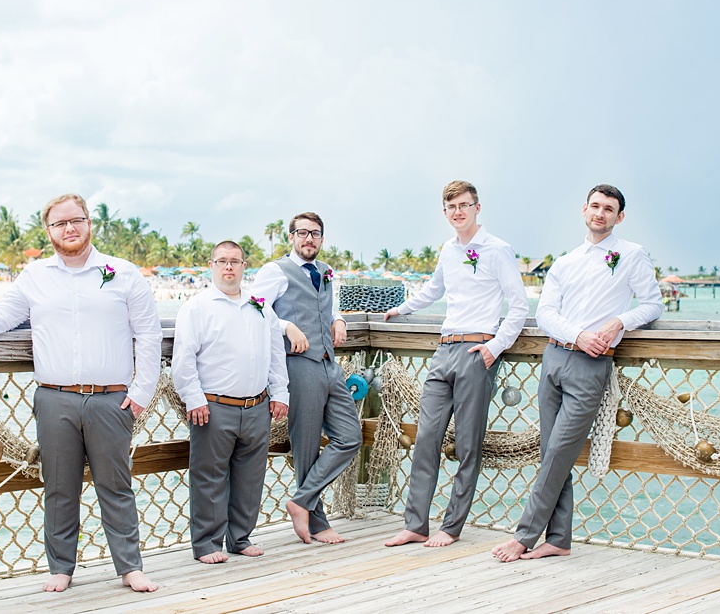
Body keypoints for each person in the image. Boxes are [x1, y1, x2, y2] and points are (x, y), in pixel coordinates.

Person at [0, 193, 162, 593]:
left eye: (77, 220)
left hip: (111, 400)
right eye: (60, 223)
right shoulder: (35, 276)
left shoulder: (122, 272)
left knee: (116, 487)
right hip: (54, 399)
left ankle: (130, 567)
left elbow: (149, 335)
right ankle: (61, 568)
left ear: (88, 223)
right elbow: (6, 313)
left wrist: (142, 392)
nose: (70, 229)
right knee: (59, 487)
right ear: (49, 230)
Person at [492, 184, 662, 562]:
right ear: (584, 210)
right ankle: (559, 539)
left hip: (591, 366)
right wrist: (579, 335)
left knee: (558, 452)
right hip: (555, 358)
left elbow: (652, 304)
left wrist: (619, 320)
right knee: (553, 453)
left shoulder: (632, 255)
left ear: (620, 217)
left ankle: (524, 536)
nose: (600, 213)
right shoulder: (565, 262)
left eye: (609, 209)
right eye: (595, 206)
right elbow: (547, 314)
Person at [384, 180, 528, 548]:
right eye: (452, 207)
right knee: (426, 440)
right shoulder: (448, 250)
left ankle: (451, 527)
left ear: (477, 207)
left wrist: (494, 347)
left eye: (465, 205)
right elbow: (434, 289)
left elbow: (519, 304)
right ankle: (416, 524)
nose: (458, 212)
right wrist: (400, 309)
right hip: (443, 350)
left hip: (477, 352)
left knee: (467, 445)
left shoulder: (498, 250)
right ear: (444, 212)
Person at [171, 241, 289, 564]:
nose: (228, 267)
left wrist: (281, 393)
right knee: (209, 476)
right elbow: (183, 360)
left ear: (243, 266)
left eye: (235, 262)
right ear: (211, 266)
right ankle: (207, 544)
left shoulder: (261, 306)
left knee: (250, 475)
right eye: (222, 261)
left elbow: (275, 353)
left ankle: (240, 537)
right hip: (213, 406)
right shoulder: (197, 307)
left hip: (257, 406)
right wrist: (193, 399)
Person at [250, 212, 363, 544]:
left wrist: (339, 319)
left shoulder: (326, 271)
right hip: (298, 364)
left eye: (315, 233)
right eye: (302, 233)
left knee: (350, 436)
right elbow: (256, 306)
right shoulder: (275, 271)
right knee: (307, 445)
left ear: (322, 238)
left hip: (330, 363)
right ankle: (316, 521)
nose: (308, 239)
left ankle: (300, 501)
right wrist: (286, 325)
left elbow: (327, 306)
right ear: (291, 237)